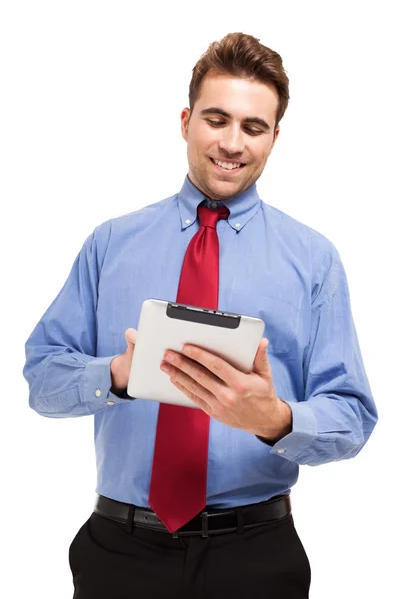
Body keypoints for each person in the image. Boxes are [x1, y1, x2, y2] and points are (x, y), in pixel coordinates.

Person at [23, 32, 378, 599]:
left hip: (256, 557)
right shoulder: (111, 244)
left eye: (254, 127)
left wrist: (274, 418)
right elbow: (41, 380)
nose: (232, 143)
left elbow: (353, 417)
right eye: (217, 119)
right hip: (120, 553)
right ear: (186, 120)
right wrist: (120, 374)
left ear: (275, 137)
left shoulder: (313, 259)